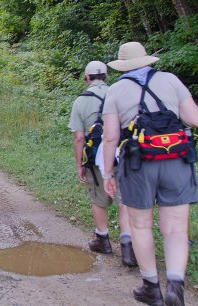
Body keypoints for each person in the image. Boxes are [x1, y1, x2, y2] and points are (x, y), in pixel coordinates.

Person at [102, 42, 198, 306]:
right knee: (176, 228)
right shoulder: (171, 80)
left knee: (140, 226)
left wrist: (107, 174)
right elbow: (196, 119)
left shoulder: (116, 90)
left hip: (137, 163)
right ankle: (175, 287)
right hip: (177, 160)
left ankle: (151, 288)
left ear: (122, 66)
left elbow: (111, 137)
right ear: (147, 61)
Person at [68, 61, 136, 267]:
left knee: (99, 198)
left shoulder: (80, 101)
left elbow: (79, 138)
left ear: (87, 77)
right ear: (106, 76)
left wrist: (80, 163)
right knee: (125, 199)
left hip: (97, 153)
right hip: (123, 152)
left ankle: (103, 238)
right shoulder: (119, 93)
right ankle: (127, 245)